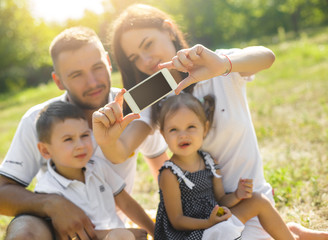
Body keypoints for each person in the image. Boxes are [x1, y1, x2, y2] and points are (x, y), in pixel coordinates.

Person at [104, 4, 328, 240]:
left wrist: (223, 65)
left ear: (169, 30)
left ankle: (286, 232)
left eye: (148, 44)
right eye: (134, 58)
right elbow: (120, 151)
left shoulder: (218, 64)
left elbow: (267, 56)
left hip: (251, 199)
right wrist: (105, 137)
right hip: (206, 215)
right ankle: (289, 232)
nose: (146, 60)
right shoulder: (157, 99)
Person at [0, 26, 168, 240]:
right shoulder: (38, 119)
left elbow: (163, 171)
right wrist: (53, 204)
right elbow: (1, 197)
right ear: (58, 81)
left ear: (109, 63)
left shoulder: (135, 106)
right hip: (53, 225)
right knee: (24, 233)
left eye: (98, 67)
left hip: (110, 226)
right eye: (76, 75)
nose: (93, 82)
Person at [153, 92, 297, 240]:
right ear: (163, 134)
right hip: (190, 234)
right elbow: (177, 221)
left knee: (258, 200)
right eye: (174, 130)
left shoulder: (210, 162)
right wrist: (207, 223)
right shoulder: (170, 174)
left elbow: (220, 199)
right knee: (225, 232)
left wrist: (236, 195)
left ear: (205, 128)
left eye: (191, 127)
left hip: (216, 222)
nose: (183, 135)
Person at [34, 101, 154, 240]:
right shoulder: (47, 190)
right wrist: (123, 234)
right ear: (45, 150)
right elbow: (64, 235)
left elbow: (127, 204)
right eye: (68, 139)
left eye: (84, 135)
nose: (80, 145)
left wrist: (156, 232)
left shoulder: (98, 167)